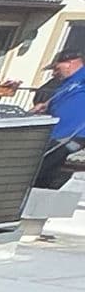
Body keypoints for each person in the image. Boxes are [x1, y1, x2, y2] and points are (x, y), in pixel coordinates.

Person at [38, 42, 85, 187]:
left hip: (74, 136)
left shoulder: (82, 77)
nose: (54, 73)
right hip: (55, 135)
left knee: (45, 164)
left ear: (70, 64)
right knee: (39, 165)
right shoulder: (65, 84)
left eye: (57, 68)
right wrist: (45, 106)